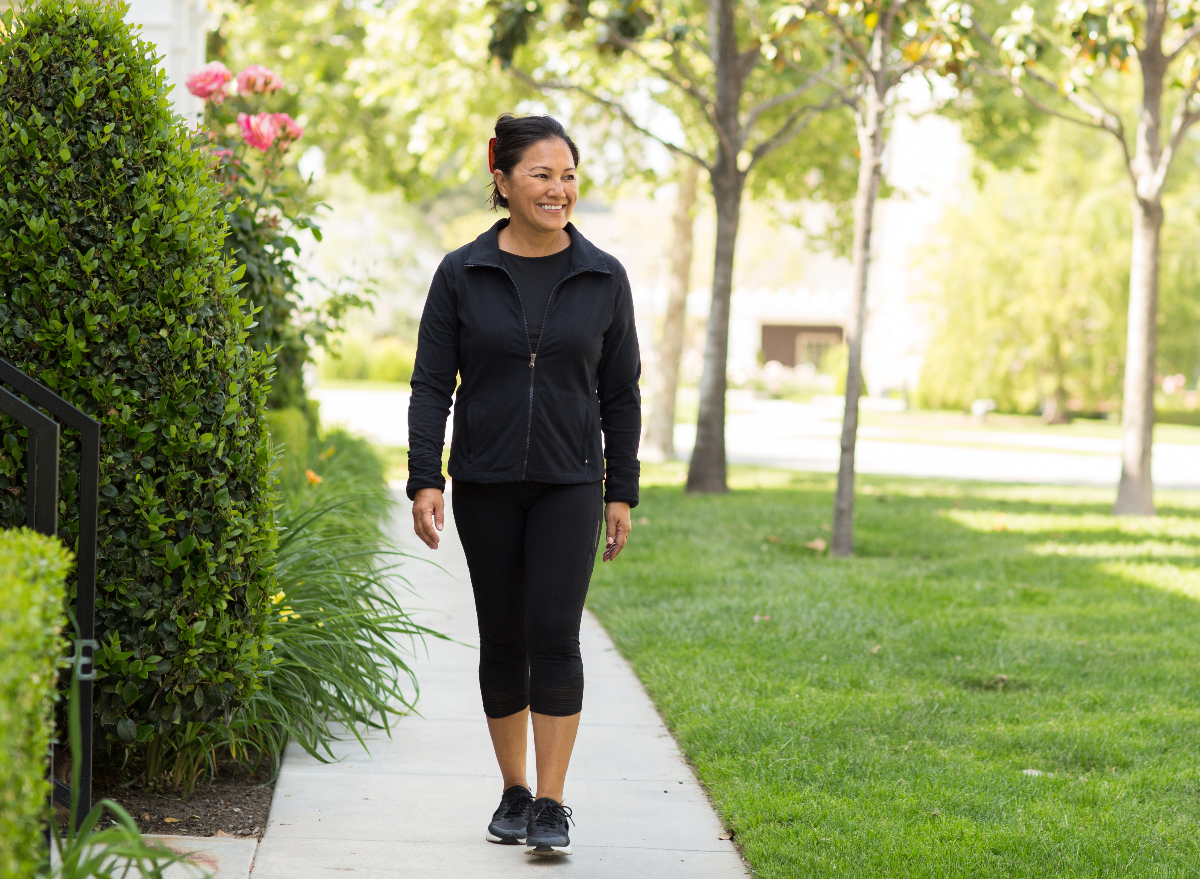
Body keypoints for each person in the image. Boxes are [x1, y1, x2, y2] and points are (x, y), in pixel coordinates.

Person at [406, 113, 641, 857]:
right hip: (485, 480)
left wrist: (621, 489)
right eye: (541, 174)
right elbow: (431, 383)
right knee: (503, 635)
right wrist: (425, 476)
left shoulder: (603, 276)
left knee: (554, 633)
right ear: (502, 178)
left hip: (571, 483)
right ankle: (513, 790)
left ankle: (550, 801)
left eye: (568, 175)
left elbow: (621, 393)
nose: (557, 189)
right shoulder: (462, 272)